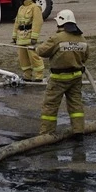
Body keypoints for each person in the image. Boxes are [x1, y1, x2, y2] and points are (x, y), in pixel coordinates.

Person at [34, 9, 90, 137]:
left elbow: (42, 51)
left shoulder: (57, 38)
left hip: (58, 79)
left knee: (50, 105)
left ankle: (47, 134)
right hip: (76, 78)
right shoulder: (82, 39)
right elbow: (85, 57)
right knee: (76, 105)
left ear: (60, 22)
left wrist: (35, 49)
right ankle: (78, 130)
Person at [12, 0, 44, 82]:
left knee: (34, 57)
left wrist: (34, 37)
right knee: (23, 58)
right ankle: (27, 75)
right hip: (21, 38)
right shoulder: (21, 8)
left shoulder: (35, 7)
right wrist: (14, 35)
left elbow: (37, 22)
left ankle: (39, 76)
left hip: (29, 37)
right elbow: (17, 22)